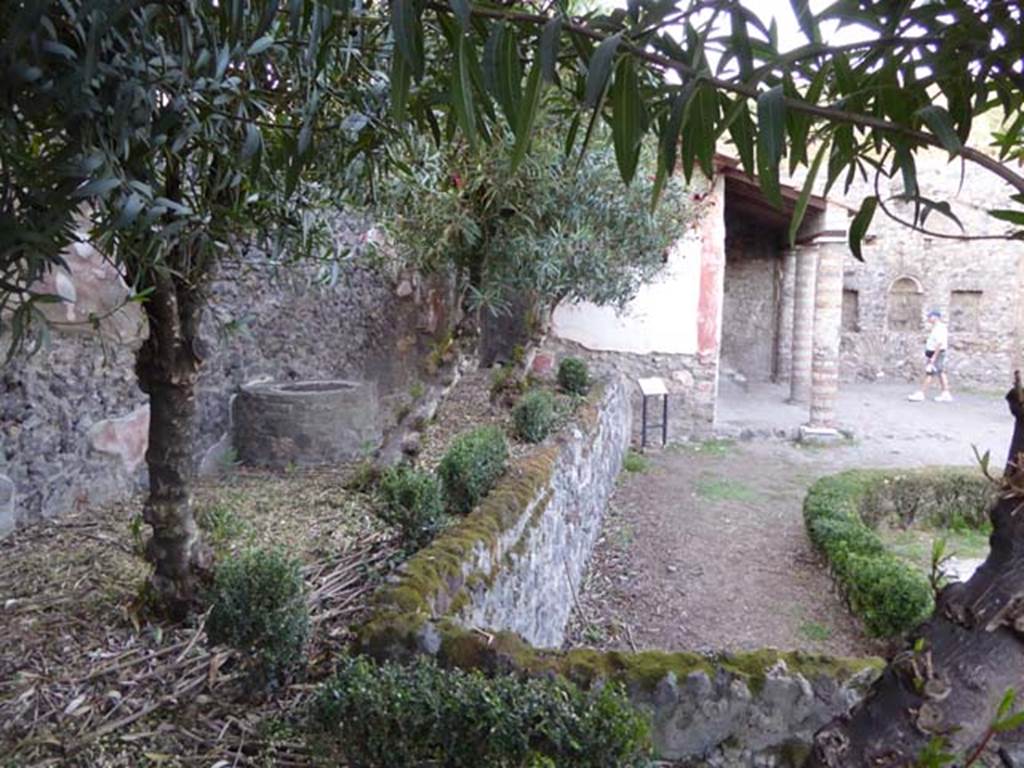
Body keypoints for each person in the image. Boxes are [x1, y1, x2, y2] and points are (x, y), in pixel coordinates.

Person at [908, 309, 953, 402]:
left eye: (930, 317)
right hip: (935, 353)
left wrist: (933, 357)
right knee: (940, 372)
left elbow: (939, 344)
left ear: (936, 317)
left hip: (936, 353)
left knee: (930, 373)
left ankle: (921, 393)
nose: (928, 319)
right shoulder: (937, 328)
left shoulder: (939, 328)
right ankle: (946, 393)